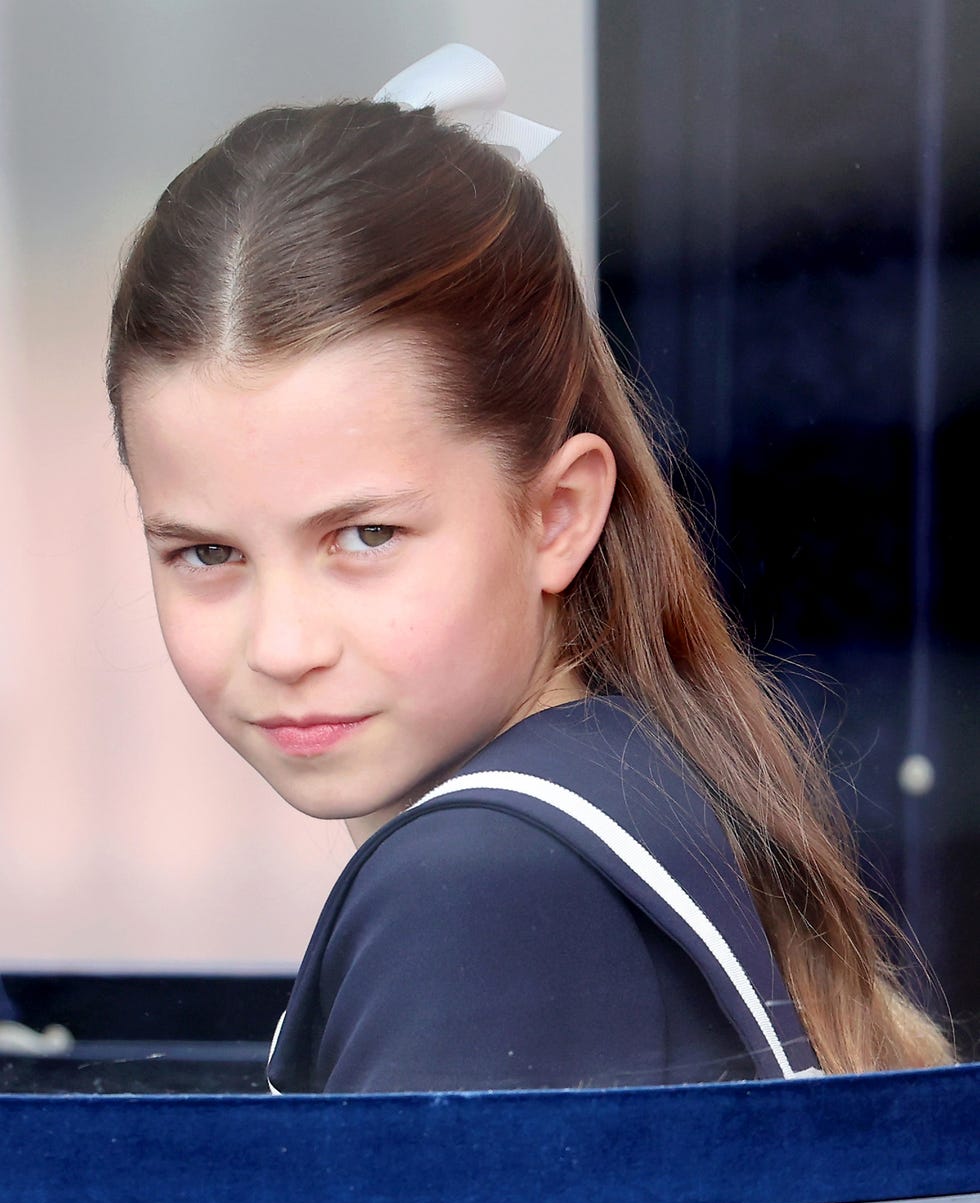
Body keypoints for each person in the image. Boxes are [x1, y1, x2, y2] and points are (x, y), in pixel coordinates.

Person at [105, 46, 952, 1092]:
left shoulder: (477, 887)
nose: (282, 645)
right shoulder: (645, 777)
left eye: (365, 537)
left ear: (557, 515)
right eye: (206, 553)